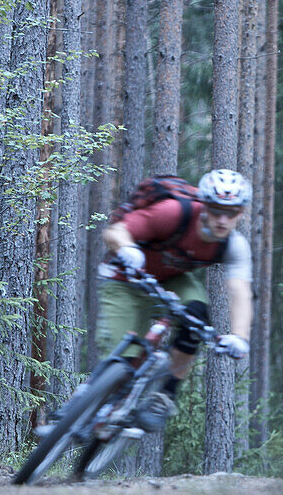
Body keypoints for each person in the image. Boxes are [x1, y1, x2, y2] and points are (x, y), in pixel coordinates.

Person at [97, 168, 253, 432]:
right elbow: (114, 232)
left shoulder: (234, 246)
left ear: (241, 213)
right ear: (204, 206)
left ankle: (165, 395)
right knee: (124, 357)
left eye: (231, 212)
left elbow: (240, 291)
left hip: (171, 278)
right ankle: (90, 404)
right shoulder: (173, 212)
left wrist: (239, 336)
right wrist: (128, 248)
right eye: (216, 210)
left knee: (197, 319)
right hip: (125, 275)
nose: (222, 220)